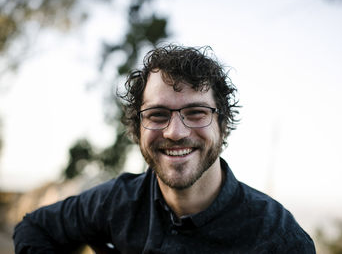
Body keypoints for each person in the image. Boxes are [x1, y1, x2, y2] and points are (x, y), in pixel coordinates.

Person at [13, 45, 316, 253]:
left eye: (196, 112)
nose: (174, 132)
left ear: (221, 125)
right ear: (138, 127)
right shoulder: (117, 201)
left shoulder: (278, 238)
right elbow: (34, 227)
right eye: (158, 115)